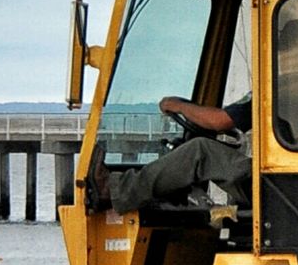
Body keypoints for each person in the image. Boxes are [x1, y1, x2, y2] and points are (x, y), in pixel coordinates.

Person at [96, 92, 252, 214]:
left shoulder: (269, 90)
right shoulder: (273, 92)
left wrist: (179, 106)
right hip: (270, 181)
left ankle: (116, 190)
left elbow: (219, 121)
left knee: (200, 150)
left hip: (268, 185)